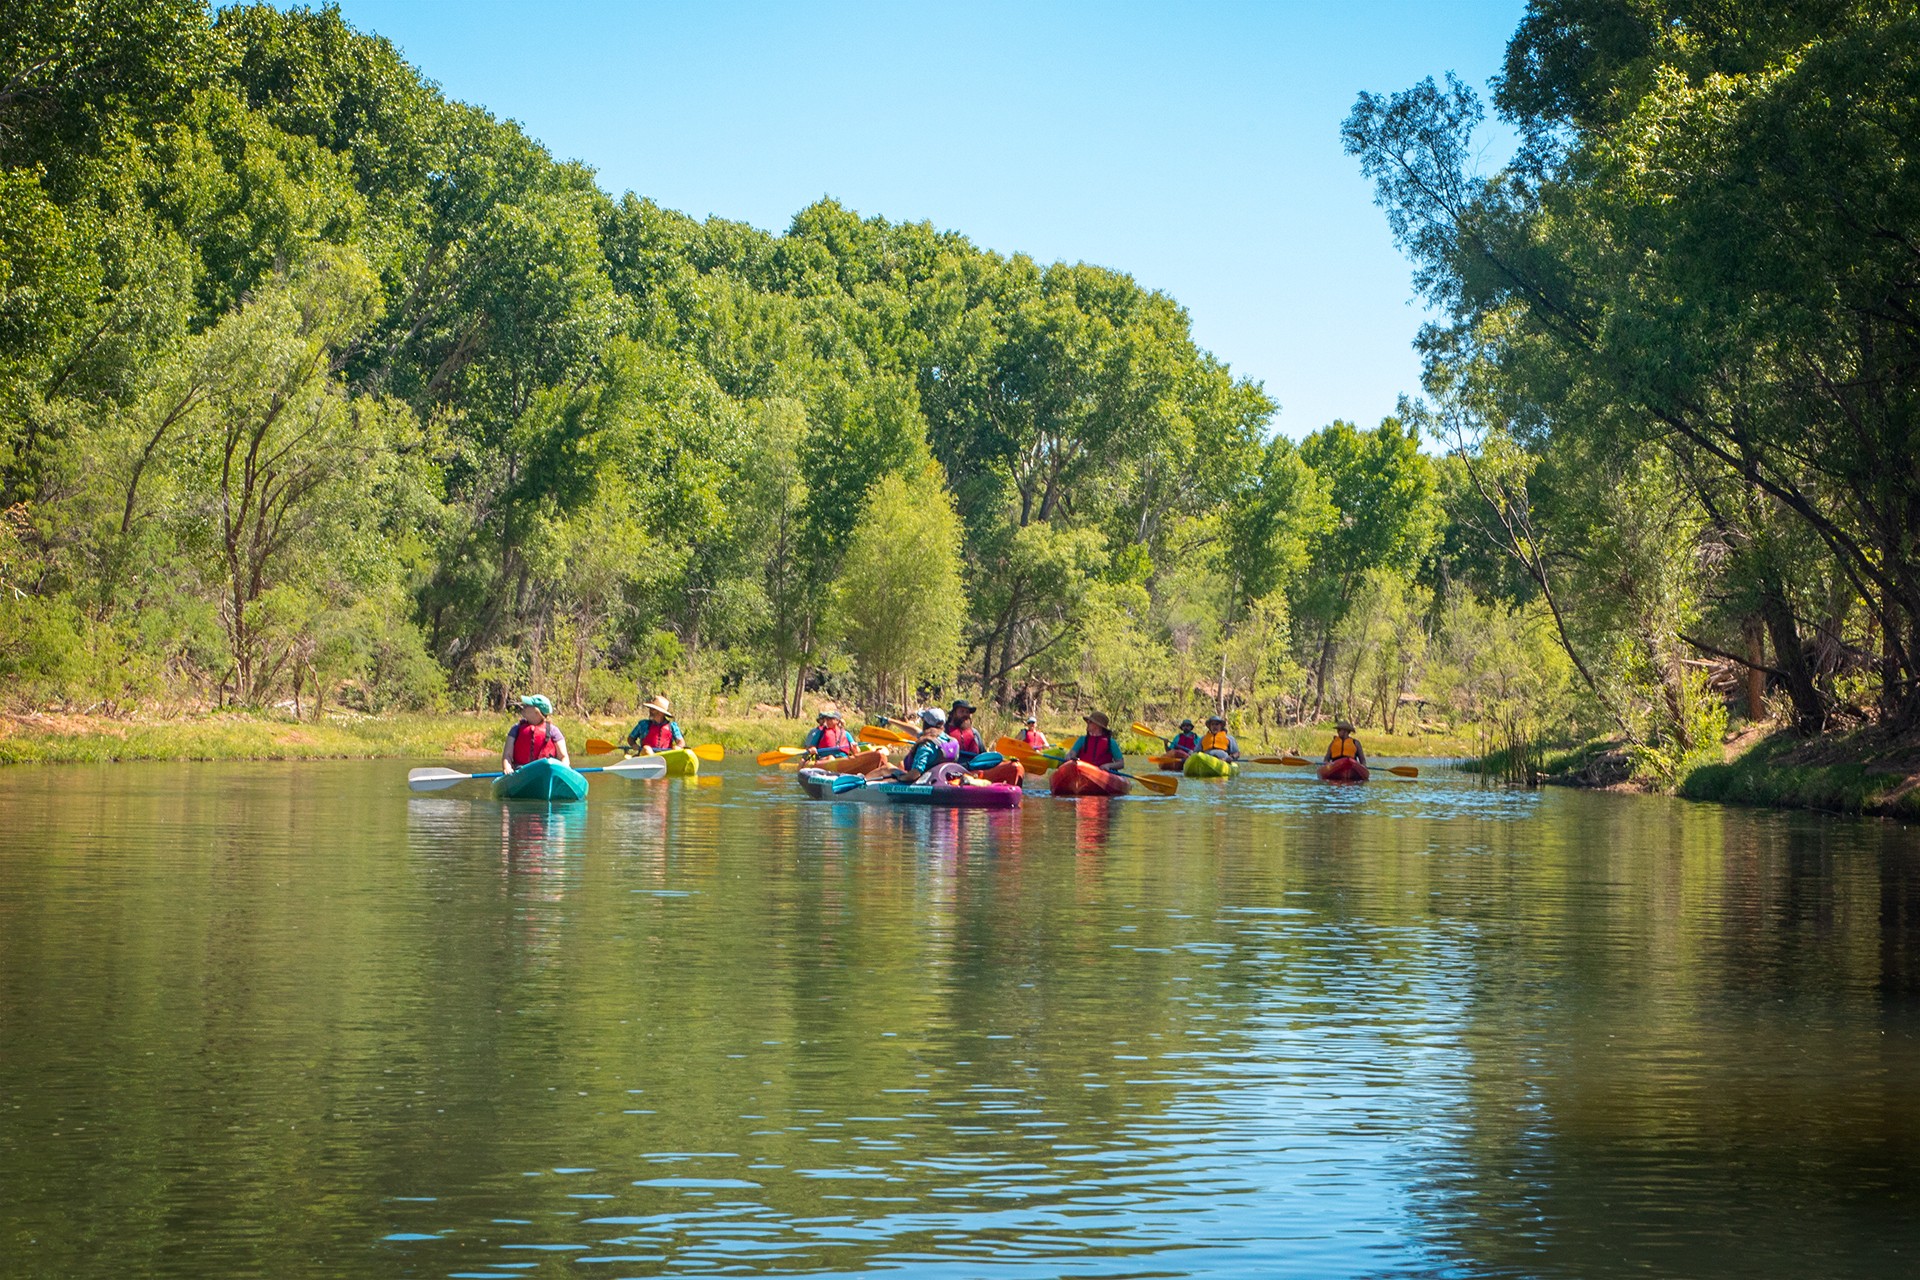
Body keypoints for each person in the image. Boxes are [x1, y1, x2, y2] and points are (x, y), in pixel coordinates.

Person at [502, 694, 570, 773]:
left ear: (537, 712)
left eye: (527, 705)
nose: (524, 706)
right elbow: (507, 756)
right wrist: (507, 768)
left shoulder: (553, 731)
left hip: (546, 771)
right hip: (521, 772)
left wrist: (563, 770)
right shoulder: (516, 729)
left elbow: (563, 757)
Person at [889, 708, 958, 783]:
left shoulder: (926, 744)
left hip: (922, 782)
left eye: (923, 720)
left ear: (926, 723)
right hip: (941, 780)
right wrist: (891, 721)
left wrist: (899, 778)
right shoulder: (952, 741)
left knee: (886, 768)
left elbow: (915, 774)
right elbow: (915, 731)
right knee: (900, 765)